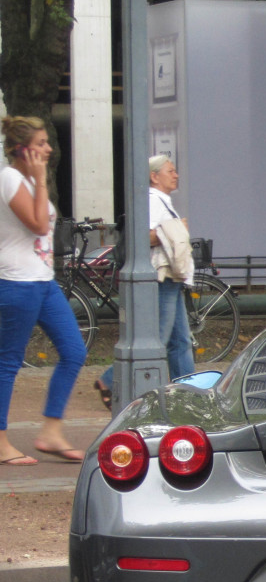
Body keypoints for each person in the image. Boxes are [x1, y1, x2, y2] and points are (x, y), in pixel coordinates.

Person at [0, 116, 87, 464]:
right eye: (41, 143)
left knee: (74, 352)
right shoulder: (9, 178)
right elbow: (37, 225)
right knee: (7, 362)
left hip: (43, 281)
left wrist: (39, 181)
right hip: (17, 282)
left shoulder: (30, 181)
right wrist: (39, 180)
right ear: (23, 150)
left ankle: (51, 432)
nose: (49, 148)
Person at [95, 154, 199, 408]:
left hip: (170, 277)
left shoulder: (161, 201)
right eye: (170, 171)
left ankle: (189, 391)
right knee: (159, 337)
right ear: (154, 176)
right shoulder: (152, 201)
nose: (176, 175)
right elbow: (145, 236)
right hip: (161, 276)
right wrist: (177, 229)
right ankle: (110, 379)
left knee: (179, 340)